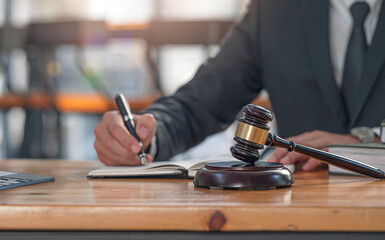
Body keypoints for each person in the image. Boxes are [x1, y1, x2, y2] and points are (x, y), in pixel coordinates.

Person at [94, 0, 385, 170]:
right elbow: (202, 99)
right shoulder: (274, 10)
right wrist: (148, 131)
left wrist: (372, 144)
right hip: (300, 217)